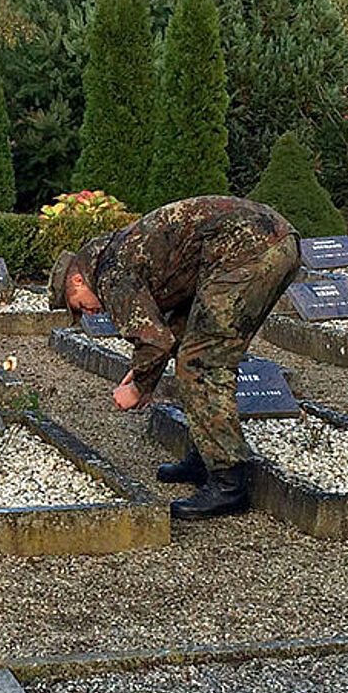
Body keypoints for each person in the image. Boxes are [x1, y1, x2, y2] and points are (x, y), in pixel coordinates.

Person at [50, 196, 300, 520]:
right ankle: (206, 457)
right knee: (195, 353)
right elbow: (180, 315)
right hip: (273, 241)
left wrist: (139, 387)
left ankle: (228, 485)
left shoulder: (108, 273)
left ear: (77, 280)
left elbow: (154, 341)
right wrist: (145, 371)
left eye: (79, 305)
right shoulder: (116, 253)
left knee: (202, 363)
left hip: (247, 250)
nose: (89, 312)